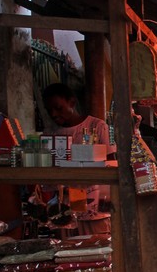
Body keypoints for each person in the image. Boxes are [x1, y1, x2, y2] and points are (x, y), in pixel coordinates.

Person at [43, 83, 114, 232]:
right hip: (65, 216)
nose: (54, 114)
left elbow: (111, 164)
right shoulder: (51, 135)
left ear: (72, 103)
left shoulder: (97, 126)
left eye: (58, 108)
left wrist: (107, 200)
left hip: (96, 213)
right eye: (49, 110)